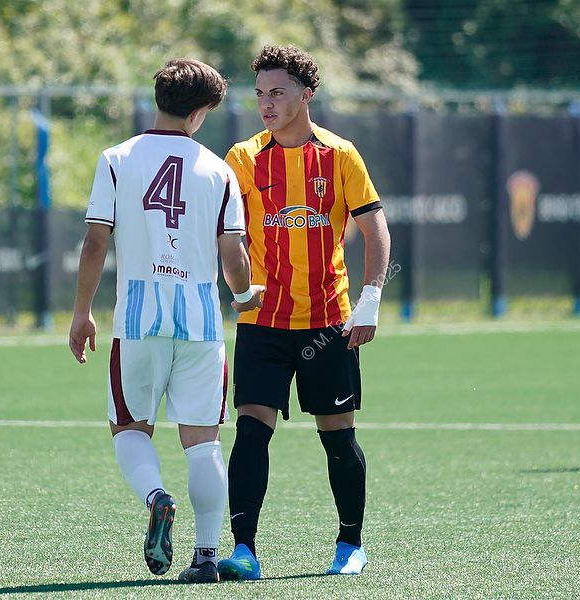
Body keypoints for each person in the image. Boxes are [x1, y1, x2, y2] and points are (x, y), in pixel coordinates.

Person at [69, 58, 263, 584]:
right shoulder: (219, 170)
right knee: (203, 442)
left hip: (138, 319)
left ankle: (157, 497)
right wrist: (244, 296)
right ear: (200, 113)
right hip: (200, 322)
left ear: (158, 99)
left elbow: (94, 243)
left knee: (129, 428)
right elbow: (234, 255)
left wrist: (82, 312)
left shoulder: (117, 159)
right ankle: (206, 557)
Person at [216, 44, 391, 579]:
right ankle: (244, 550)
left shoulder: (340, 155)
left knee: (338, 435)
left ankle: (350, 544)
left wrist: (370, 299)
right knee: (251, 430)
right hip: (262, 321)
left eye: (278, 92)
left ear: (306, 93)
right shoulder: (243, 158)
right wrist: (238, 288)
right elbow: (227, 236)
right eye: (260, 94)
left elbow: (375, 229)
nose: (266, 104)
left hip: (328, 321)